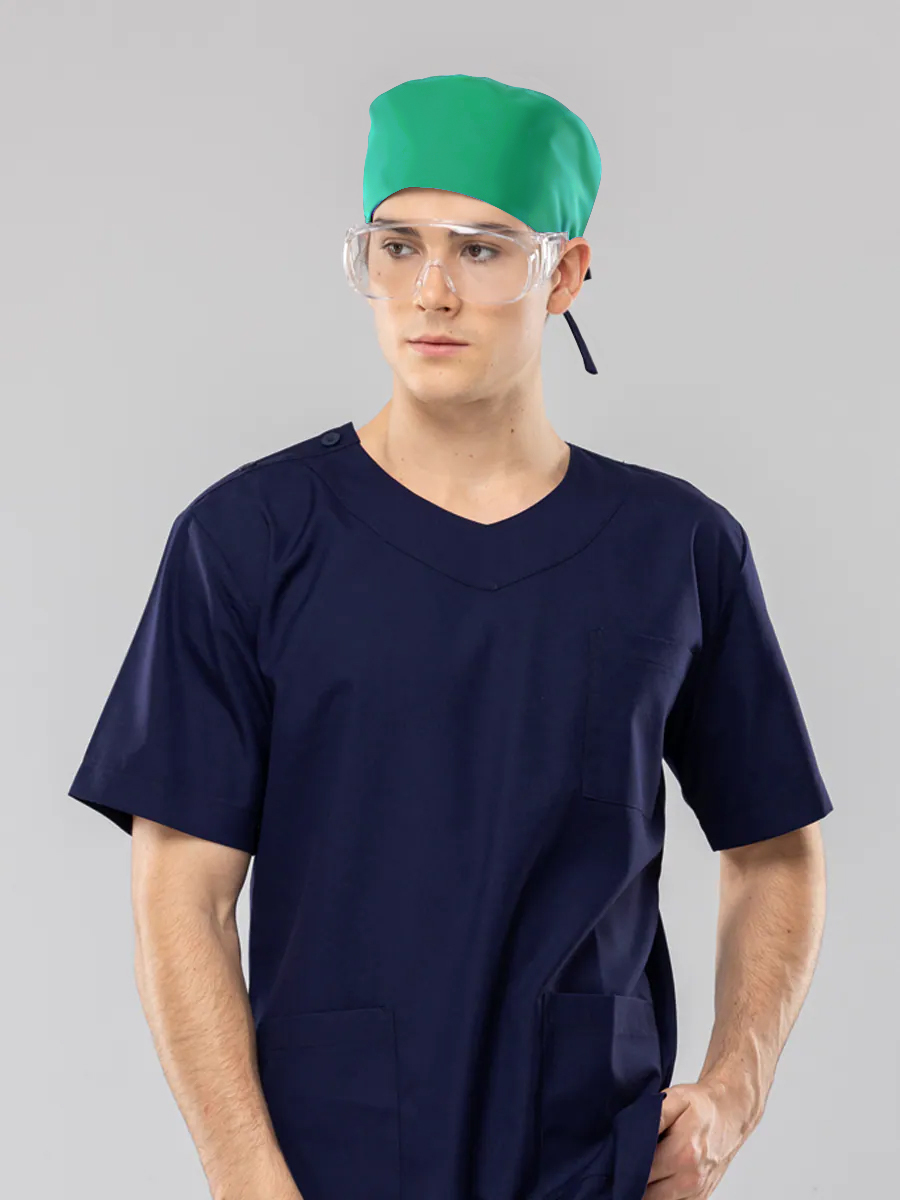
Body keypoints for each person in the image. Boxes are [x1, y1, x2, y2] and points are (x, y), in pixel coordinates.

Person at [67, 74, 833, 1200]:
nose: (431, 292)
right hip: (329, 1158)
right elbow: (180, 892)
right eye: (397, 247)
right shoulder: (249, 540)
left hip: (590, 1153)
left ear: (564, 274)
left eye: (482, 251)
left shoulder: (674, 549)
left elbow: (775, 851)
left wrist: (735, 1090)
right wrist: (244, 1174)